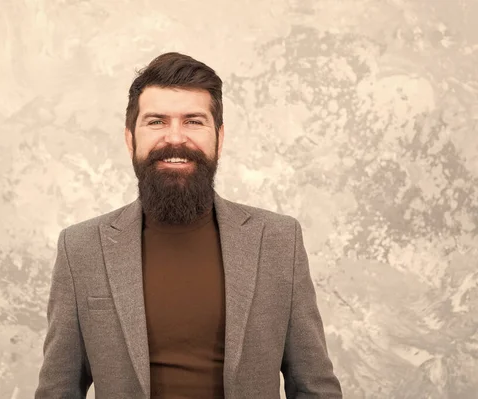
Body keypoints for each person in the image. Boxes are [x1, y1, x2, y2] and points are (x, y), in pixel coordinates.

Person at [34, 52, 342, 399]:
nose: (175, 138)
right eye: (156, 122)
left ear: (219, 137)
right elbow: (57, 391)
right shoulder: (81, 248)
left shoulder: (278, 240)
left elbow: (316, 388)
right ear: (129, 138)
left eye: (193, 121)